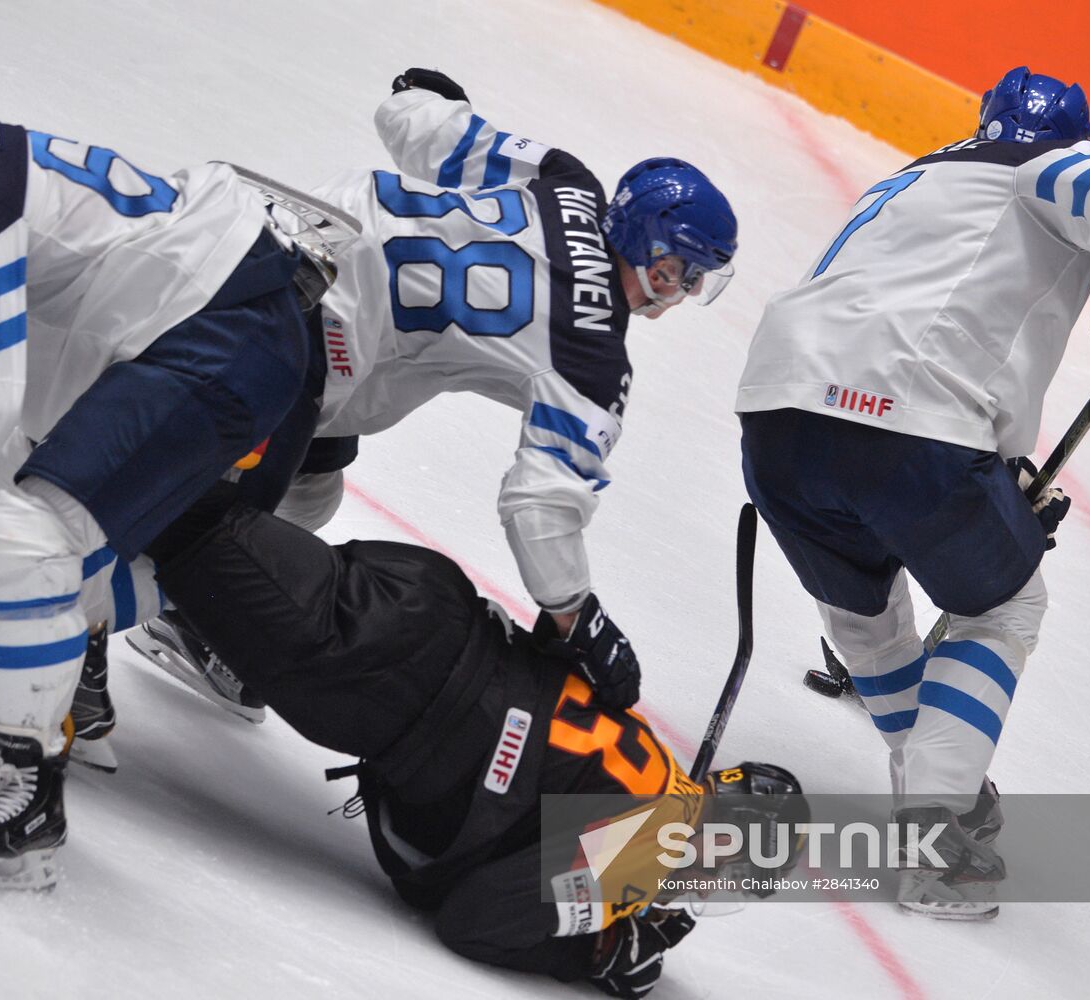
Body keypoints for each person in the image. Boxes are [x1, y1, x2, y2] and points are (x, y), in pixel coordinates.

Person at [0, 45, 343, 889]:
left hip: (220, 338)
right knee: (30, 492)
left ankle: (33, 792)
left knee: (23, 534)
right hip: (213, 324)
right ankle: (67, 654)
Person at [134, 66, 741, 717]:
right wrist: (578, 617)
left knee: (311, 490)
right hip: (313, 327)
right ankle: (71, 625)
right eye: (685, 276)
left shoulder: (570, 181)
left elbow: (431, 133)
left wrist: (421, 99)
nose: (686, 293)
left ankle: (181, 614)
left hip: (306, 222)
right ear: (659, 258)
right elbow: (540, 507)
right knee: (211, 531)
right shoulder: (591, 356)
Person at [734, 66, 1090, 918]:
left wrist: (1001, 470)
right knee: (1003, 607)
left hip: (776, 419)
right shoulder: (1045, 163)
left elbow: (935, 317)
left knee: (868, 618)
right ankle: (935, 841)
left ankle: (936, 778)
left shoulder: (914, 176)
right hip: (910, 429)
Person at [149, 502, 805, 997]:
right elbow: (476, 921)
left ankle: (206, 630)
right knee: (160, 511)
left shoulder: (657, 780)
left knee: (187, 503)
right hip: (384, 679)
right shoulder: (645, 850)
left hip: (429, 609)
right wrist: (595, 951)